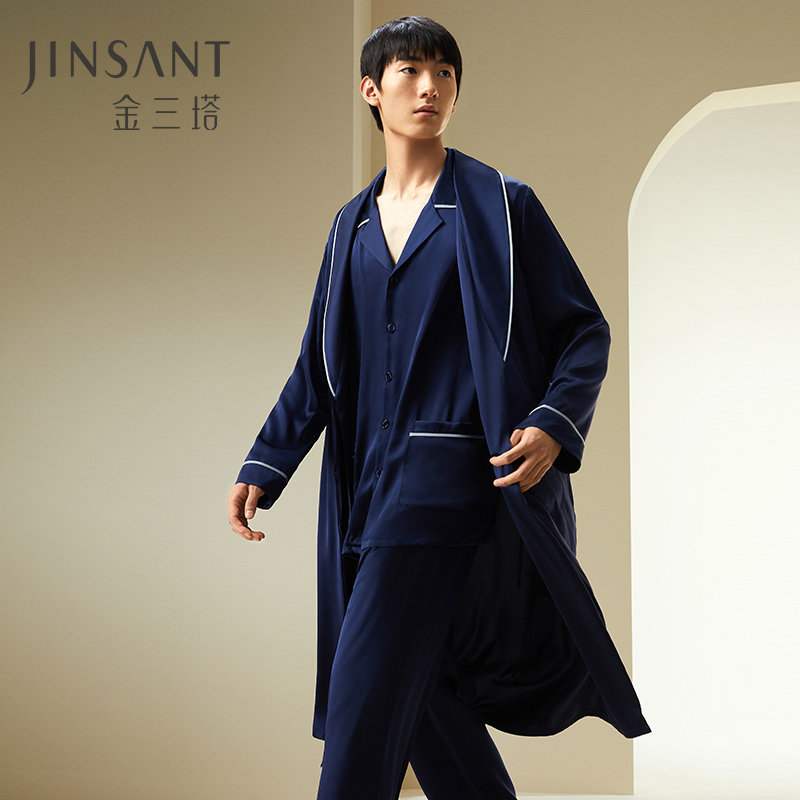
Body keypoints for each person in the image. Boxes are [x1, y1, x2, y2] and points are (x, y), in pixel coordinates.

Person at [227, 15, 650, 800]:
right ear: (371, 90)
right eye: (411, 71)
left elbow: (583, 329)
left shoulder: (502, 206)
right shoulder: (350, 226)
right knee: (423, 696)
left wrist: (553, 424)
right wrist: (268, 461)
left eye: (444, 74)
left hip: (451, 479)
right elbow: (319, 365)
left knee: (363, 694)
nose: (430, 87)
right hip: (365, 486)